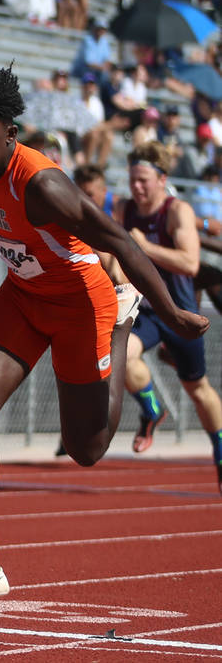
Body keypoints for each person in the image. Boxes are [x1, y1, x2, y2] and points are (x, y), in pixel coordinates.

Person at [0, 67, 209, 602]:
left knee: (86, 449)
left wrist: (169, 313)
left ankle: (123, 323)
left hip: (83, 303)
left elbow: (121, 241)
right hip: (22, 296)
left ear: (12, 134)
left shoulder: (43, 184)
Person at [114, 142, 222, 487]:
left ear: (162, 179)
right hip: (145, 311)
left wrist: (145, 247)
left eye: (144, 180)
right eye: (132, 180)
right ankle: (151, 409)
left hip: (179, 313)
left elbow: (190, 263)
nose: (137, 187)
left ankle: (220, 449)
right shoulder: (124, 209)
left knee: (197, 388)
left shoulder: (178, 212)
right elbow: (116, 254)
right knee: (119, 355)